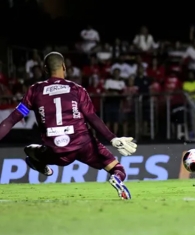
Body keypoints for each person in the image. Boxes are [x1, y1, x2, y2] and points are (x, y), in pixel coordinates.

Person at [0, 52, 137, 200]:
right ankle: (116, 179)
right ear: (64, 67)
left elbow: (11, 120)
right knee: (118, 169)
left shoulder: (34, 90)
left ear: (45, 69)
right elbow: (92, 117)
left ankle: (40, 164)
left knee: (29, 150)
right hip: (85, 145)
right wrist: (112, 139)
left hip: (56, 150)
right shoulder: (77, 89)